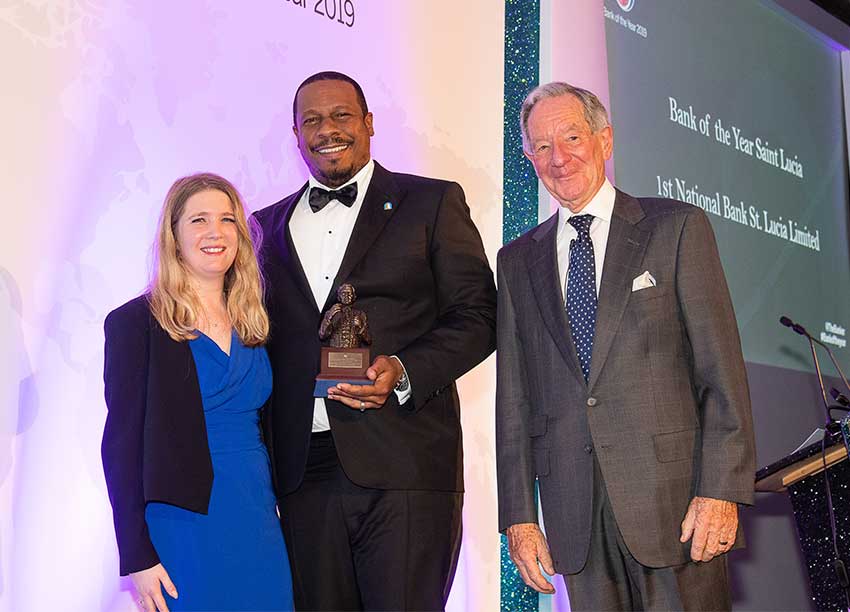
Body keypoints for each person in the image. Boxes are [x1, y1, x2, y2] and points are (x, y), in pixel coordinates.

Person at [496, 82, 756, 611]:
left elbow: (720, 374)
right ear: (528, 157)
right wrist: (520, 517)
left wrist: (721, 490)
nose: (559, 158)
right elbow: (514, 402)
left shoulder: (676, 228)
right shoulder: (517, 261)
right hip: (576, 517)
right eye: (541, 146)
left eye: (571, 137)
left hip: (679, 508)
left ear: (604, 140)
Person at [253, 71, 497, 611]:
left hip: (405, 463)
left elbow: (479, 315)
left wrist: (404, 369)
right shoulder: (261, 227)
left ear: (368, 123)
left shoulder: (431, 202)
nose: (327, 130)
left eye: (341, 115)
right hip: (303, 472)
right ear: (295, 134)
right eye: (311, 120)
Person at [101, 173, 294, 612]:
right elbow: (120, 446)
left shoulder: (257, 319)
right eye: (198, 220)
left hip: (258, 514)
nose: (215, 232)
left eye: (228, 220)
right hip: (181, 522)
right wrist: (136, 554)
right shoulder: (136, 323)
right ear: (174, 236)